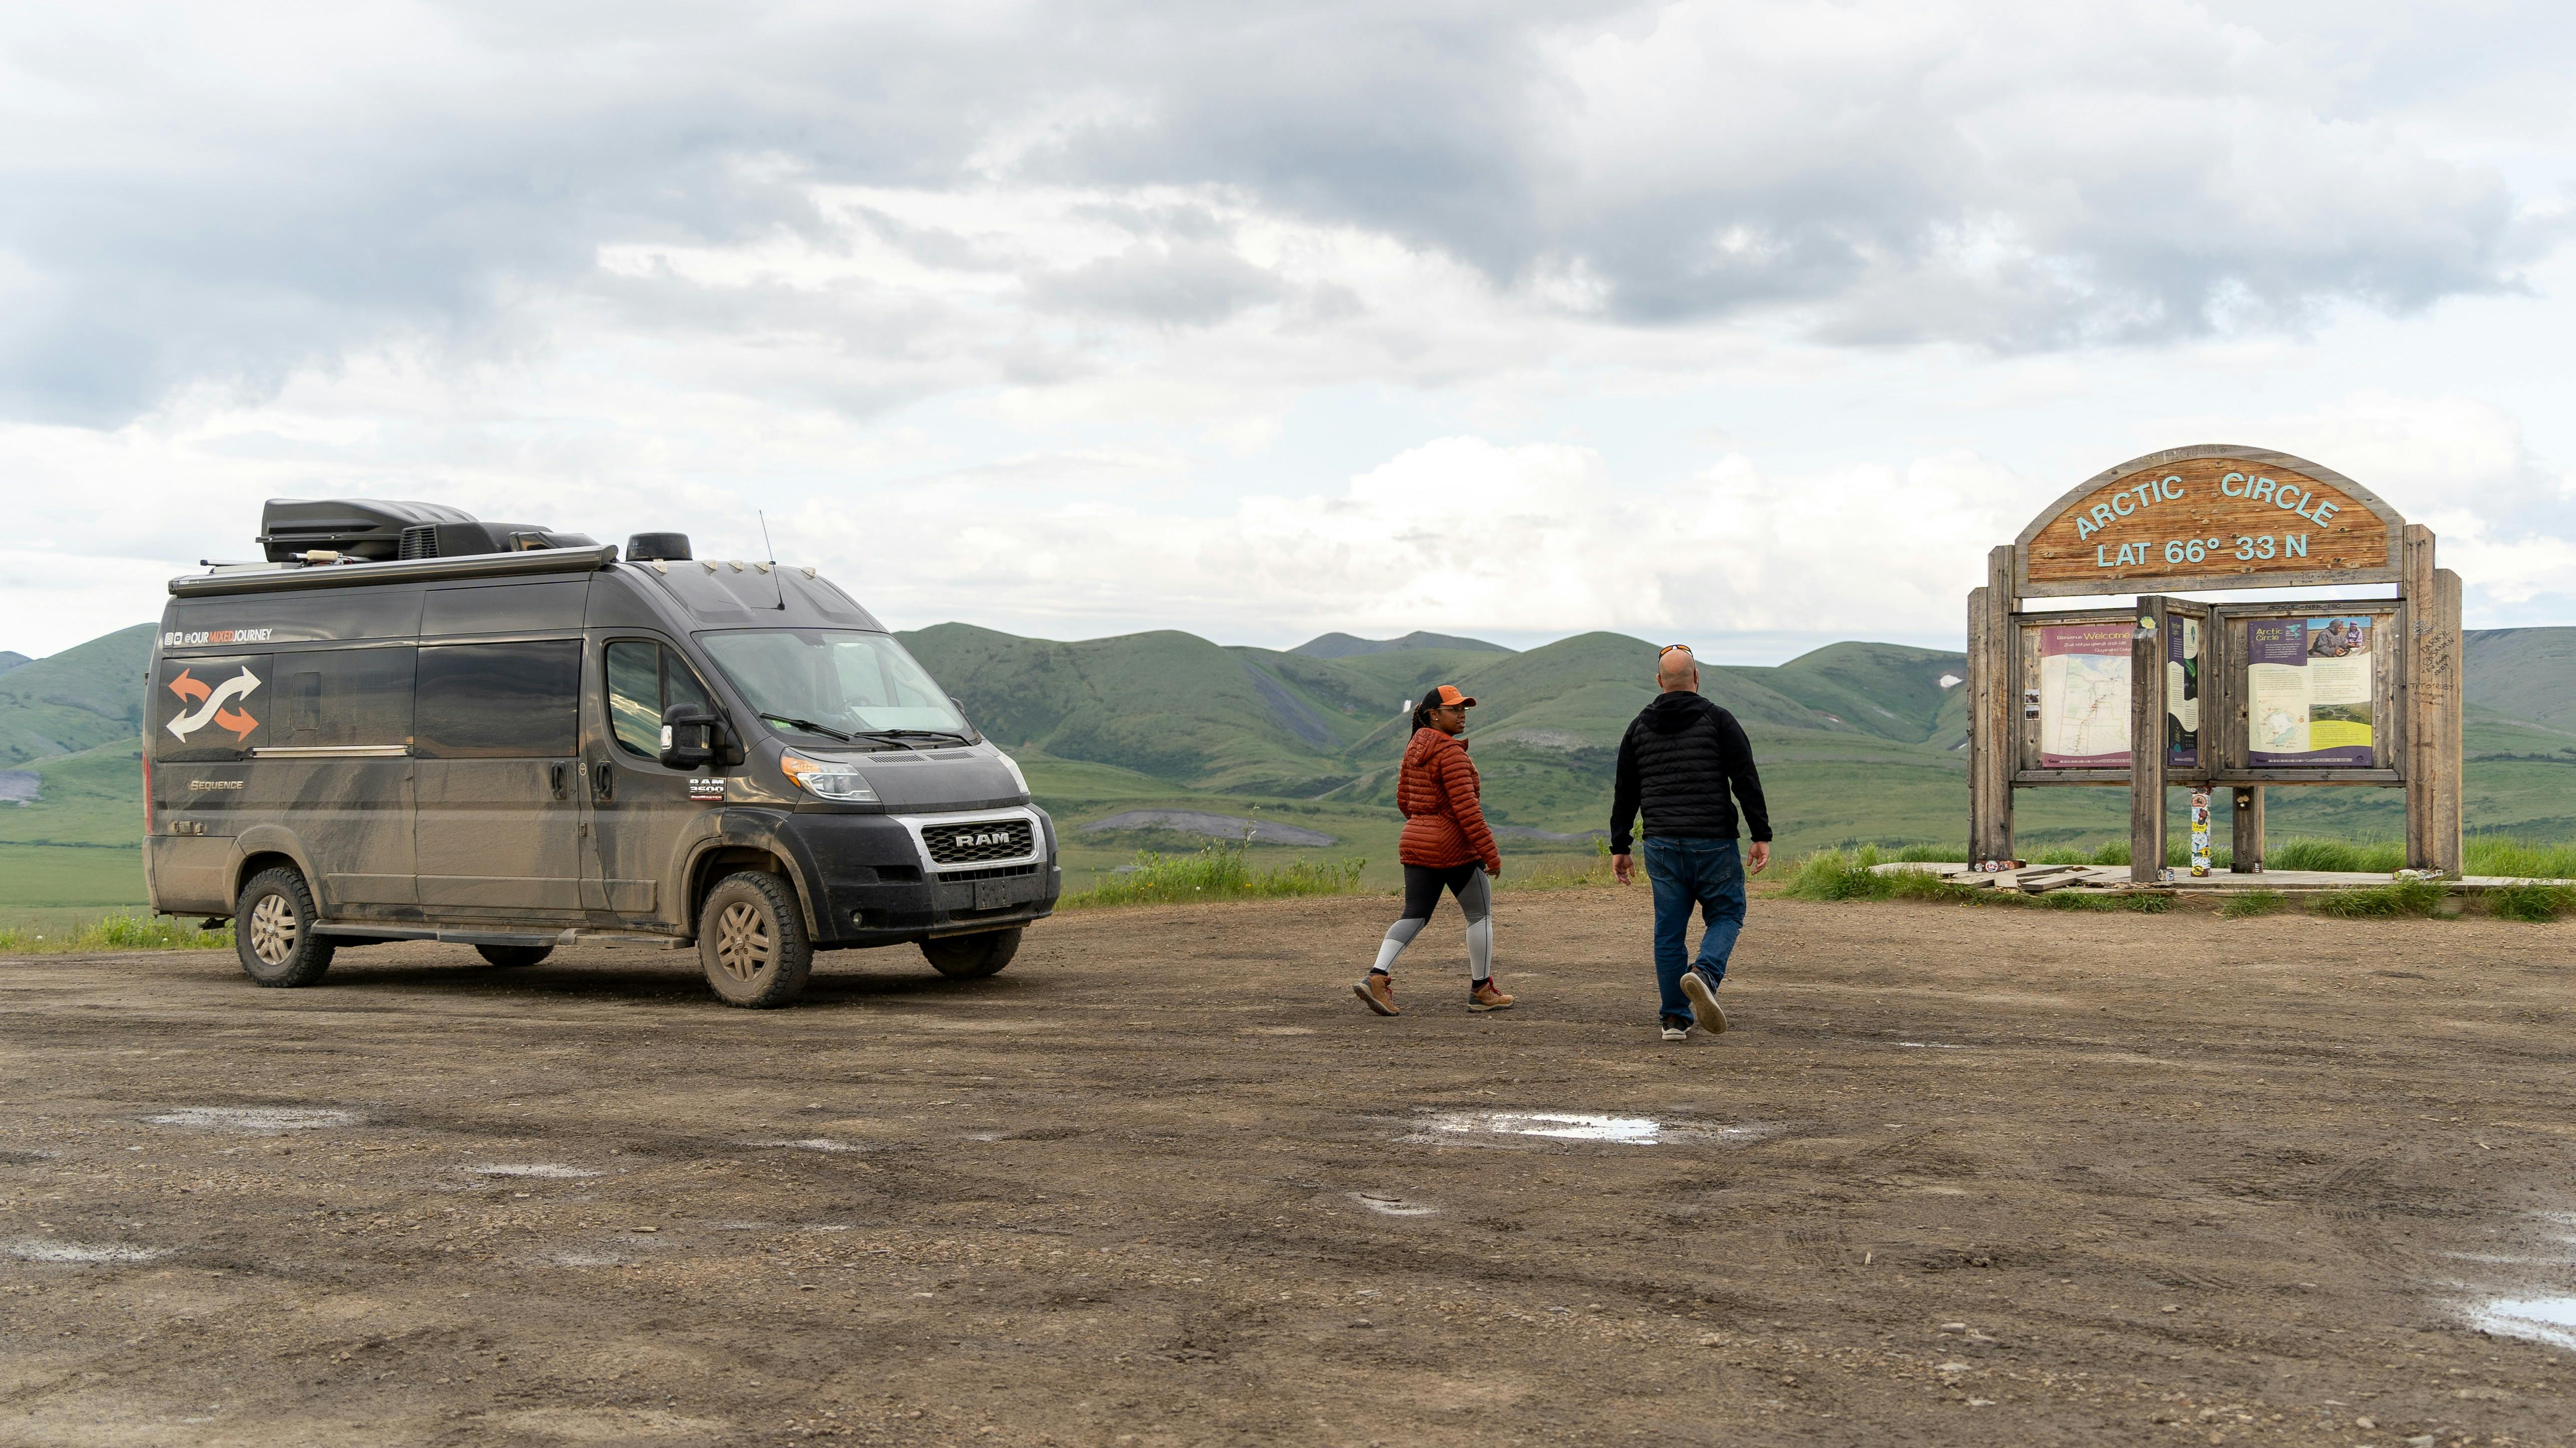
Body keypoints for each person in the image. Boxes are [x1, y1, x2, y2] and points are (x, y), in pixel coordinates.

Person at [1608, 645, 1771, 1041]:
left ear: (1660, 681)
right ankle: (1704, 974)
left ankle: (1674, 1021)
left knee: (1669, 932)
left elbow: (1625, 792)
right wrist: (1760, 834)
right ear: (1696, 678)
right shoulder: (1718, 720)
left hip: (1662, 845)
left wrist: (1620, 846)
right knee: (1728, 914)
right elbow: (1745, 779)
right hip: (1713, 842)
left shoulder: (1637, 727)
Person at [1353, 684, 1513, 1016]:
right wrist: (1490, 854)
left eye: (1463, 710)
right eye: (1455, 710)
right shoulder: (1451, 753)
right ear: (1434, 715)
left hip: (1416, 839)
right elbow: (1467, 811)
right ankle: (1481, 990)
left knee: (1414, 915)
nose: (1462, 715)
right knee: (1480, 914)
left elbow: (1404, 801)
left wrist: (1425, 825)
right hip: (1452, 846)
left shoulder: (1414, 748)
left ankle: (1377, 977)